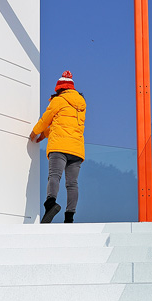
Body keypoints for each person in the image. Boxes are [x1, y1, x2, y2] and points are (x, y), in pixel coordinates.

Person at [30, 71, 86, 223]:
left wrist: (35, 132)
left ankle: (50, 204)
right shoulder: (81, 104)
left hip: (59, 146)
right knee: (72, 183)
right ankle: (69, 217)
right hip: (76, 149)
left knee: (54, 176)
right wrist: (45, 134)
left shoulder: (58, 101)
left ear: (59, 88)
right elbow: (63, 122)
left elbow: (46, 119)